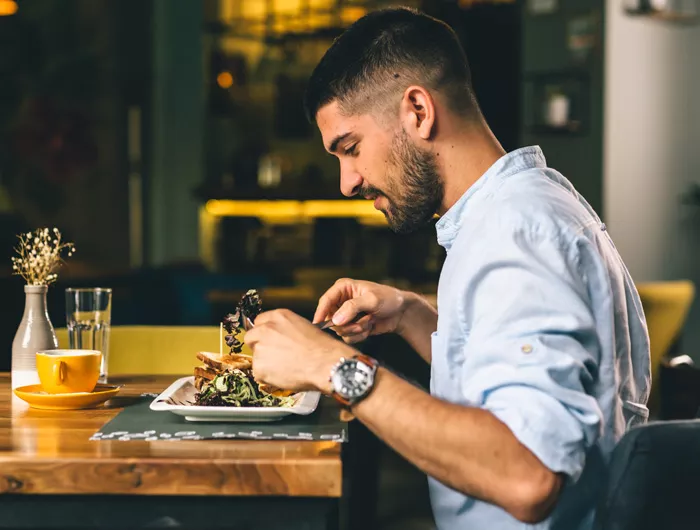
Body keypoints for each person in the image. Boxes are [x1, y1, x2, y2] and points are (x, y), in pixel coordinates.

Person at [244, 6, 650, 529]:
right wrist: (414, 314)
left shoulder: (517, 233)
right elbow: (509, 377)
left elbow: (529, 475)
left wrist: (331, 367)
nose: (346, 182)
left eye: (351, 148)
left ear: (417, 109)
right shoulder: (521, 209)